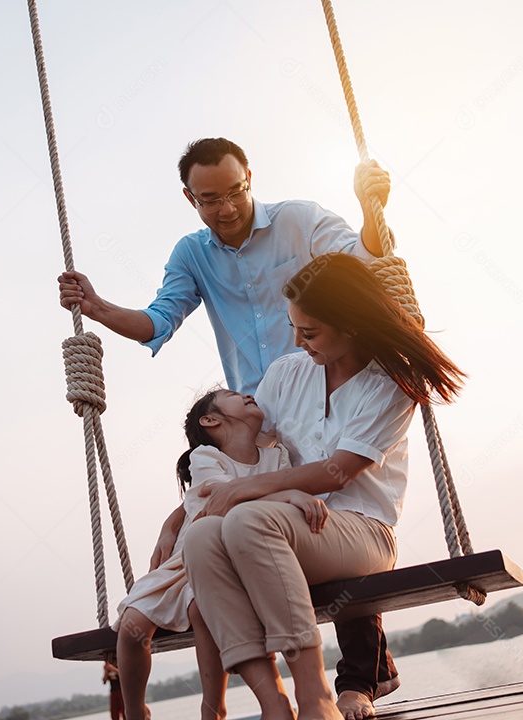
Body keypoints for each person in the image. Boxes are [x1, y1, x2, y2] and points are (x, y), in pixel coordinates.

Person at [58, 137, 399, 717]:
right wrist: (96, 307)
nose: (227, 207)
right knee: (236, 519)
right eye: (210, 198)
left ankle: (357, 678)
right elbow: (156, 322)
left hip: (331, 373)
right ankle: (275, 700)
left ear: (250, 179)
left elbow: (361, 266)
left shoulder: (300, 222)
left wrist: (372, 215)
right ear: (190, 199)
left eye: (237, 191)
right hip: (266, 403)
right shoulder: (194, 256)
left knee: (323, 501)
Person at [182, 253, 465, 720]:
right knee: (201, 536)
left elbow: (338, 471)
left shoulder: (391, 383)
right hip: (283, 528)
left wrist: (256, 493)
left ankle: (314, 696)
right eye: (295, 327)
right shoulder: (287, 372)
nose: (297, 340)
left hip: (363, 532)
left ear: (349, 325)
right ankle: (273, 702)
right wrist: (183, 515)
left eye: (309, 332)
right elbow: (243, 450)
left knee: (249, 520)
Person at [114, 387, 328, 720]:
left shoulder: (278, 457)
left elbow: (257, 503)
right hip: (189, 558)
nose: (245, 394)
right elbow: (228, 500)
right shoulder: (206, 459)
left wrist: (290, 492)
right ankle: (135, 710)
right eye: (231, 394)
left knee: (202, 609)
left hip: (232, 562)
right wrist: (291, 495)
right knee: (132, 626)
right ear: (210, 419)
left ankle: (212, 707)